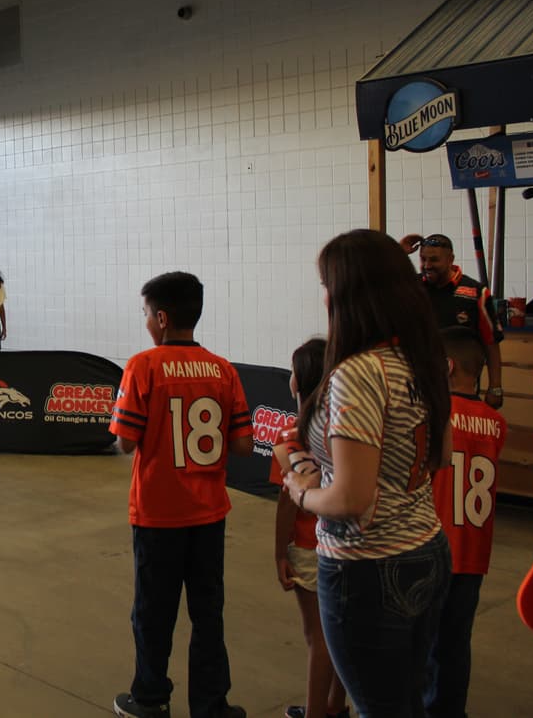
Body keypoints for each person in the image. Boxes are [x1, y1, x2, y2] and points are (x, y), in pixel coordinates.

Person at [283, 229, 452, 718]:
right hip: (427, 549)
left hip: (368, 568)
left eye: (327, 284)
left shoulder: (360, 372)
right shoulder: (424, 360)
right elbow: (441, 456)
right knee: (404, 700)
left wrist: (301, 491)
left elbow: (350, 499)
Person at [109, 271, 253, 718]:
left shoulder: (143, 366)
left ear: (163, 318)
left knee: (153, 611)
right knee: (208, 611)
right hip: (209, 513)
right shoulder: (223, 369)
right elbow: (244, 444)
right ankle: (212, 703)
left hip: (157, 514)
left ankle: (150, 697)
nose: (146, 322)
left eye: (147, 314)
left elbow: (125, 441)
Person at [424, 326, 506, 718]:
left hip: (435, 545)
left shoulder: (435, 415)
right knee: (456, 642)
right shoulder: (495, 423)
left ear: (448, 365)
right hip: (474, 552)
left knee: (423, 641)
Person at [271, 338, 347, 718]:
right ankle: (336, 704)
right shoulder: (345, 428)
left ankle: (317, 711)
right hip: (349, 543)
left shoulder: (289, 436)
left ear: (296, 381)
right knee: (342, 633)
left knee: (317, 637)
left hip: (308, 545)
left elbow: (288, 502)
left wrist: (279, 552)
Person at [398, 233, 504, 409]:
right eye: (423, 259)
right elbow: (376, 288)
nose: (427, 265)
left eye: (434, 260)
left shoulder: (476, 292)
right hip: (417, 388)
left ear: (450, 259)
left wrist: (495, 388)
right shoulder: (411, 287)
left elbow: (491, 343)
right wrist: (399, 253)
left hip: (461, 390)